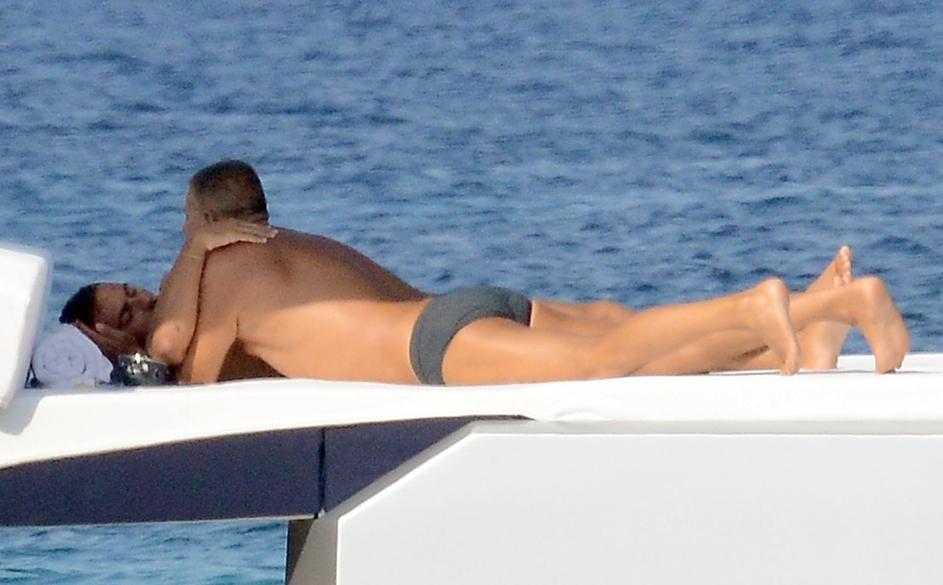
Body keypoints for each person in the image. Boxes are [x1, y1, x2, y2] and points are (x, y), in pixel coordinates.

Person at [61, 161, 910, 385]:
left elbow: (180, 364)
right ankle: (815, 317)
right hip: (464, 307)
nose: (144, 299)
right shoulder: (291, 246)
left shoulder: (217, 282)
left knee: (605, 362)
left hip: (435, 344)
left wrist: (192, 254)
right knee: (623, 334)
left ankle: (757, 306)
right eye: (125, 304)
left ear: (202, 226)